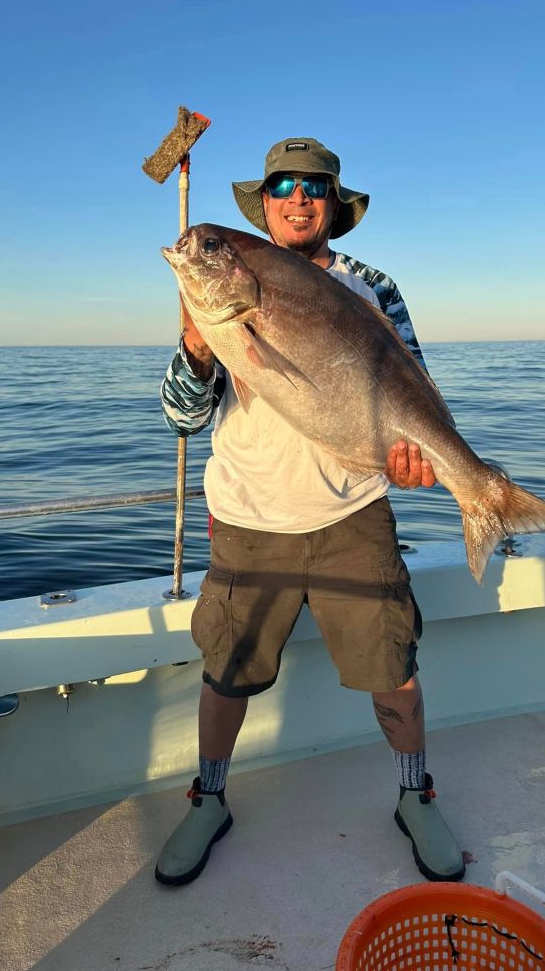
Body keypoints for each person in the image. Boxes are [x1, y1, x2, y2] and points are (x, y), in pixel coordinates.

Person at [155, 137, 465, 886]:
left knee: (393, 666)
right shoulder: (226, 281)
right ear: (263, 205)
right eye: (283, 185)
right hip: (248, 517)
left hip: (354, 512)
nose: (298, 197)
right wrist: (201, 350)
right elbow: (180, 418)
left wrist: (426, 457)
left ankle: (415, 793)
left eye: (315, 186)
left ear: (335, 205)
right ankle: (209, 797)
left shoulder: (372, 286)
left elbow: (412, 389)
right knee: (226, 670)